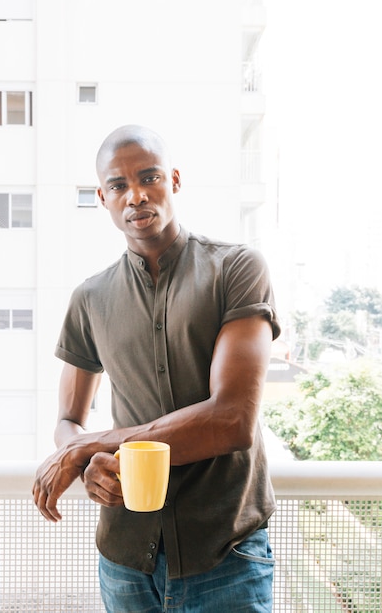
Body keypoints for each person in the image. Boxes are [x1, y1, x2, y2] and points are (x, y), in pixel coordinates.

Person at [32, 124, 281, 612]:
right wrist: (85, 463)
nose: (137, 195)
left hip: (225, 554)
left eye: (149, 177)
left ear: (175, 180)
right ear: (103, 197)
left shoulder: (237, 269)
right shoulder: (90, 297)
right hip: (125, 559)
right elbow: (68, 422)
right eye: (119, 185)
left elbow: (232, 421)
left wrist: (93, 444)